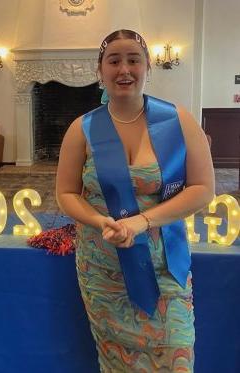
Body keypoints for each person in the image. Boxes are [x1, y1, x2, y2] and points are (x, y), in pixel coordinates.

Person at [56, 29, 214, 372]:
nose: (124, 69)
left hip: (165, 266)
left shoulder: (179, 121)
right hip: (103, 270)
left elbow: (203, 188)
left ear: (148, 67)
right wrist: (101, 222)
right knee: (116, 363)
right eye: (114, 60)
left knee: (176, 355)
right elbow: (66, 193)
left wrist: (142, 221)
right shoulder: (80, 130)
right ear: (100, 70)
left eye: (133, 59)